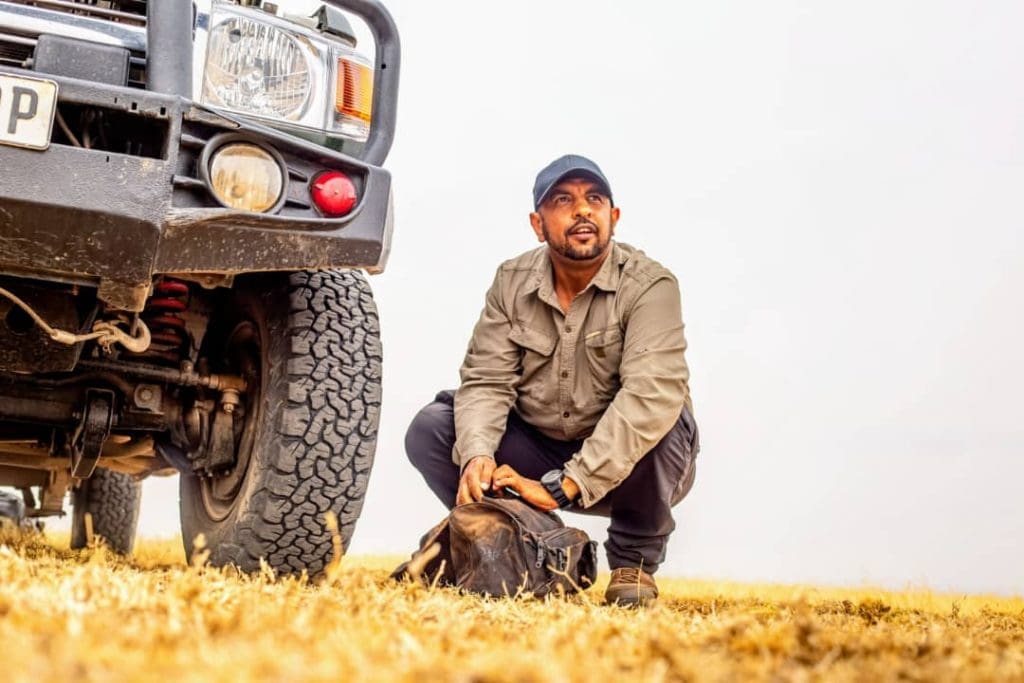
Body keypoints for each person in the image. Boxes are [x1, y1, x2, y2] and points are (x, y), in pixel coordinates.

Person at [405, 154, 699, 606]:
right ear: (538, 224)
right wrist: (478, 455)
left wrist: (563, 485)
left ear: (613, 217)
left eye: (594, 199)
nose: (582, 210)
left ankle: (633, 565)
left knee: (666, 412)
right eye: (563, 200)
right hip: (538, 448)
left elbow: (649, 394)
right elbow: (485, 380)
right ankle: (523, 546)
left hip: (627, 467)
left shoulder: (651, 285)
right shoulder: (510, 281)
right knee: (434, 428)